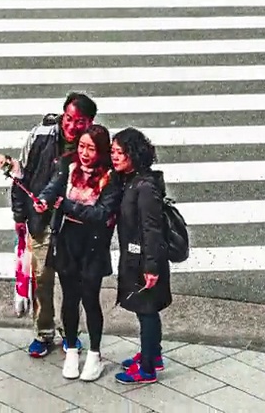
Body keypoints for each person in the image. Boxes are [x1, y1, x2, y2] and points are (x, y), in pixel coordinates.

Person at [0, 92, 98, 358]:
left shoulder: (91, 146)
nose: (73, 126)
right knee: (41, 280)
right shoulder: (41, 136)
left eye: (80, 121)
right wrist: (20, 216)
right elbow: (22, 176)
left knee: (71, 283)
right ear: (63, 114)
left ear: (90, 122)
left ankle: (70, 332)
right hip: (40, 222)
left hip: (74, 226)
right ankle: (43, 332)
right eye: (69, 118)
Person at [34, 124, 121, 382]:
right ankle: (71, 349)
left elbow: (101, 214)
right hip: (68, 242)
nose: (84, 153)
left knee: (90, 299)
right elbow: (54, 187)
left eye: (91, 148)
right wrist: (45, 200)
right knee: (69, 299)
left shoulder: (110, 177)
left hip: (93, 245)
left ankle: (94, 354)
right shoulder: (68, 166)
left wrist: (68, 206)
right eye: (82, 146)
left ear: (101, 150)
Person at [111, 128, 172, 385]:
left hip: (144, 260)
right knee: (145, 310)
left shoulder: (144, 187)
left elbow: (152, 229)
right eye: (112, 151)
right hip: (138, 257)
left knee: (146, 311)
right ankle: (153, 355)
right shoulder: (133, 180)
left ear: (133, 155)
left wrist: (151, 267)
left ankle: (147, 368)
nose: (114, 157)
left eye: (120, 153)